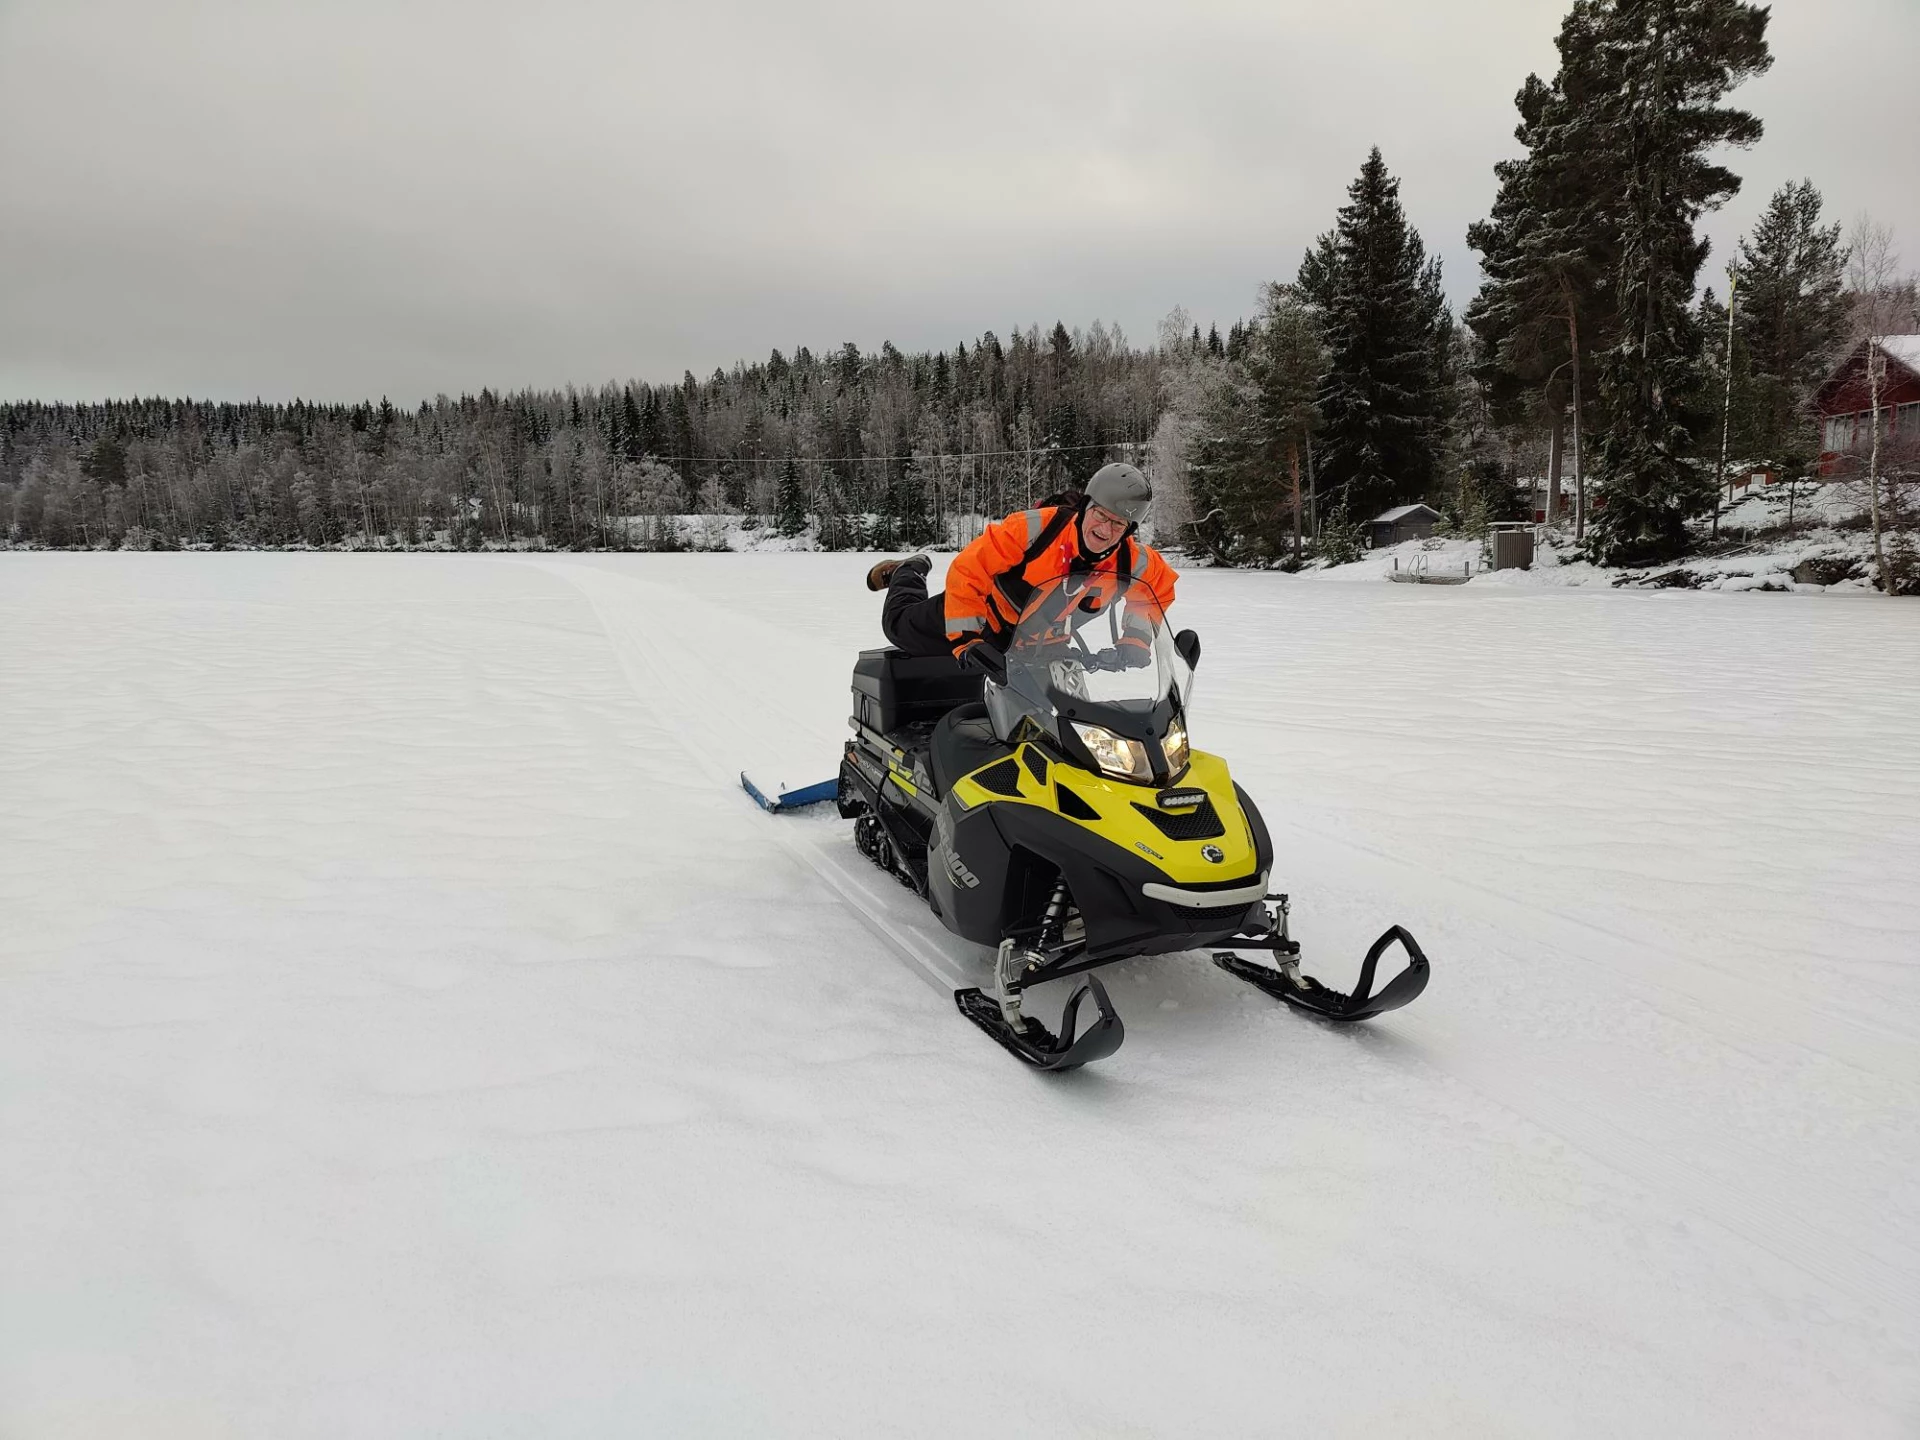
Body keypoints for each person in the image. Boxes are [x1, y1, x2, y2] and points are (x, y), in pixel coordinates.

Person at [866, 462, 1177, 675]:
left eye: (1118, 523)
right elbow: (970, 568)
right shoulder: (1034, 530)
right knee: (898, 626)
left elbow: (1156, 591)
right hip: (985, 619)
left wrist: (1136, 639)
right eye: (1100, 515)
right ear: (1085, 507)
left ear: (1129, 528)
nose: (1106, 529)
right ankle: (908, 571)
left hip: (1041, 644)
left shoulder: (1132, 560)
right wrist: (966, 638)